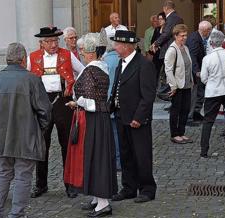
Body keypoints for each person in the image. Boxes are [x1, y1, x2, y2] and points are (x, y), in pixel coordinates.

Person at [0, 42, 52, 218]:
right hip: (26, 136)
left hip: (1, 136)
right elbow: (45, 112)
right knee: (23, 176)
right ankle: (16, 214)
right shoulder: (32, 79)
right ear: (24, 60)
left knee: (3, 173)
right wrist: (38, 130)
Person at [64, 32, 117, 217]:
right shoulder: (102, 67)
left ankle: (103, 204)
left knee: (95, 158)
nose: (82, 54)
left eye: (83, 51)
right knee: (96, 157)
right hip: (99, 120)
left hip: (92, 120)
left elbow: (89, 100)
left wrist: (76, 102)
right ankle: (97, 199)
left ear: (91, 52)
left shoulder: (90, 71)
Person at [28, 26, 84, 199]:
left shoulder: (67, 55)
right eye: (49, 41)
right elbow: (27, 77)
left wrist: (74, 90)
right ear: (41, 43)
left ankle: (70, 184)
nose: (53, 44)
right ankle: (41, 184)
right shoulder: (33, 57)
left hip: (63, 101)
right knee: (42, 144)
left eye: (55, 40)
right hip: (42, 102)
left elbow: (82, 71)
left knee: (66, 143)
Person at [110, 30, 157, 203]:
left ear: (126, 46)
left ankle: (147, 188)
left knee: (142, 155)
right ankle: (129, 187)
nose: (114, 47)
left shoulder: (143, 64)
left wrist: (139, 117)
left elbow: (148, 95)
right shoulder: (120, 63)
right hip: (122, 115)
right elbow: (117, 87)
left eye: (116, 44)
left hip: (137, 119)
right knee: (125, 155)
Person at [199, 31, 225, 158]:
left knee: (208, 121)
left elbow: (203, 77)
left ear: (211, 43)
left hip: (213, 91)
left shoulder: (207, 58)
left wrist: (211, 83)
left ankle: (204, 150)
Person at [164, 24, 193, 144]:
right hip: (177, 85)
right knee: (176, 110)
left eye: (186, 35)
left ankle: (181, 132)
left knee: (185, 109)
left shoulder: (185, 48)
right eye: (182, 36)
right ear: (175, 36)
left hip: (186, 84)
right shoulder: (172, 50)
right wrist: (173, 85)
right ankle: (174, 134)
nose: (184, 38)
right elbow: (168, 69)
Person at [100, 28, 122, 170]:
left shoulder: (105, 61)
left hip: (108, 101)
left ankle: (115, 161)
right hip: (120, 101)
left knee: (111, 133)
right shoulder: (122, 59)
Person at [186, 21, 212, 124]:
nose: (210, 32)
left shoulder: (197, 37)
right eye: (209, 30)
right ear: (205, 30)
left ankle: (195, 114)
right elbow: (193, 56)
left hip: (197, 71)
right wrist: (197, 71)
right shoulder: (194, 39)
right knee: (195, 95)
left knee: (199, 94)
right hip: (194, 72)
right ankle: (190, 117)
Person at [151, 12, 166, 85]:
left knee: (165, 73)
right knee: (154, 72)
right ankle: (154, 88)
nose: (159, 21)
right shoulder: (157, 29)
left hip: (165, 54)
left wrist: (158, 46)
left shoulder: (167, 30)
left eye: (161, 19)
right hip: (156, 54)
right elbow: (153, 40)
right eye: (158, 19)